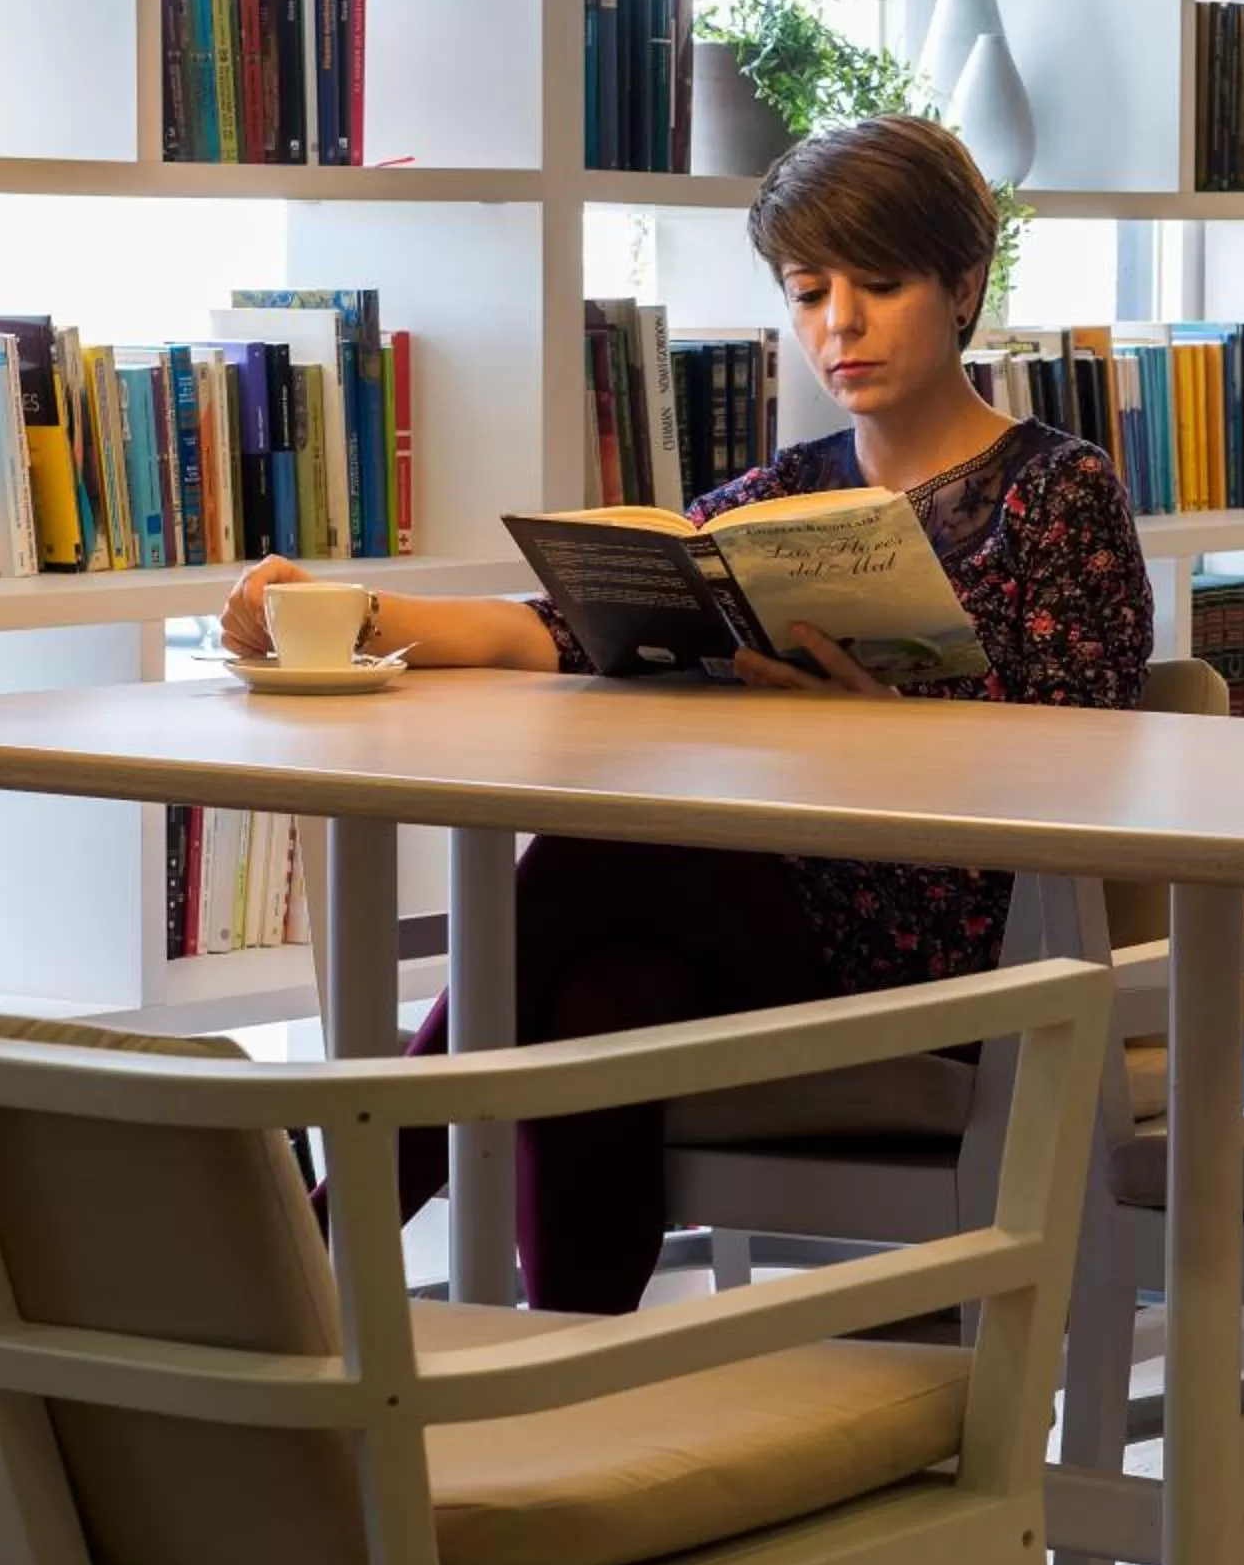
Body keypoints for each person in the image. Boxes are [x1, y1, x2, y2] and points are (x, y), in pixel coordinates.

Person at [220, 114, 1154, 1312]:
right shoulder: (785, 491)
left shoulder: (1057, 492)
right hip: (791, 925)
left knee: (594, 857)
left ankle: (308, 1249)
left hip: (976, 939)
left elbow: (1105, 765)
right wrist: (349, 609)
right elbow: (550, 628)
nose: (840, 327)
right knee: (595, 1006)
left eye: (880, 286)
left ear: (963, 286)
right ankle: (577, 1393)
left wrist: (896, 726)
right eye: (809, 293)